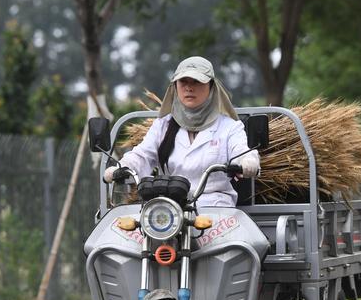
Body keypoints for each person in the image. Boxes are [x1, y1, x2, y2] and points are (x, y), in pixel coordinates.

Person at [104, 56, 260, 207]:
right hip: (169, 211)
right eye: (183, 81)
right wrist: (121, 167)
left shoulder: (230, 126)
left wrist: (248, 162)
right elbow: (142, 155)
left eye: (197, 81)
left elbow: (241, 151)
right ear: (175, 86)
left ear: (212, 87)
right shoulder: (162, 125)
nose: (189, 87)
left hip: (216, 208)